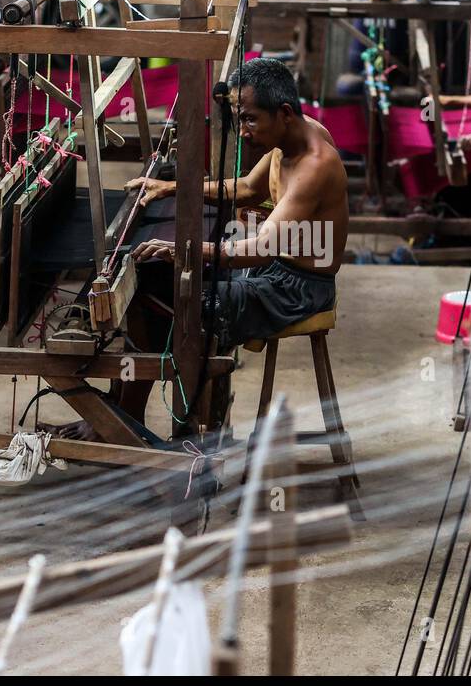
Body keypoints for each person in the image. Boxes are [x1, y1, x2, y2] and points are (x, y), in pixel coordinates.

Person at [55, 58, 350, 440]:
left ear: (285, 113)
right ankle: (120, 418)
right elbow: (247, 189)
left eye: (249, 119)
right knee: (155, 280)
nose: (242, 132)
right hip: (275, 268)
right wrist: (174, 187)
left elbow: (261, 248)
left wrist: (184, 249)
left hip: (295, 289)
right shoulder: (291, 138)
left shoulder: (314, 165)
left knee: (177, 299)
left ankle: (139, 427)